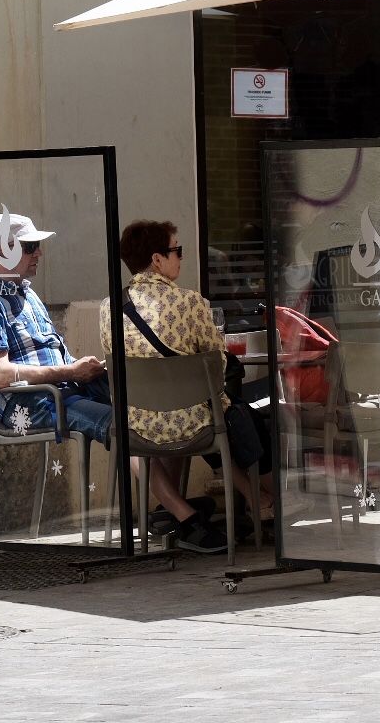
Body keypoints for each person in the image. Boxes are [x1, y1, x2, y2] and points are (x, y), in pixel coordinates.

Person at [101, 220, 270, 555]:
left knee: (208, 410)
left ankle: (198, 511)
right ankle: (262, 502)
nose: (182, 256)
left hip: (139, 427)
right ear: (157, 260)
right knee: (227, 411)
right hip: (194, 426)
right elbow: (216, 367)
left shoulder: (109, 308)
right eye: (176, 249)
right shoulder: (192, 302)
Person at [0, 211, 114, 454]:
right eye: (30, 247)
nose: (39, 253)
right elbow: (1, 375)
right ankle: (167, 493)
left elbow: (53, 356)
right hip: (31, 402)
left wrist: (91, 369)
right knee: (124, 427)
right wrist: (72, 371)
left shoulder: (28, 295)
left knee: (144, 408)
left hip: (62, 390)